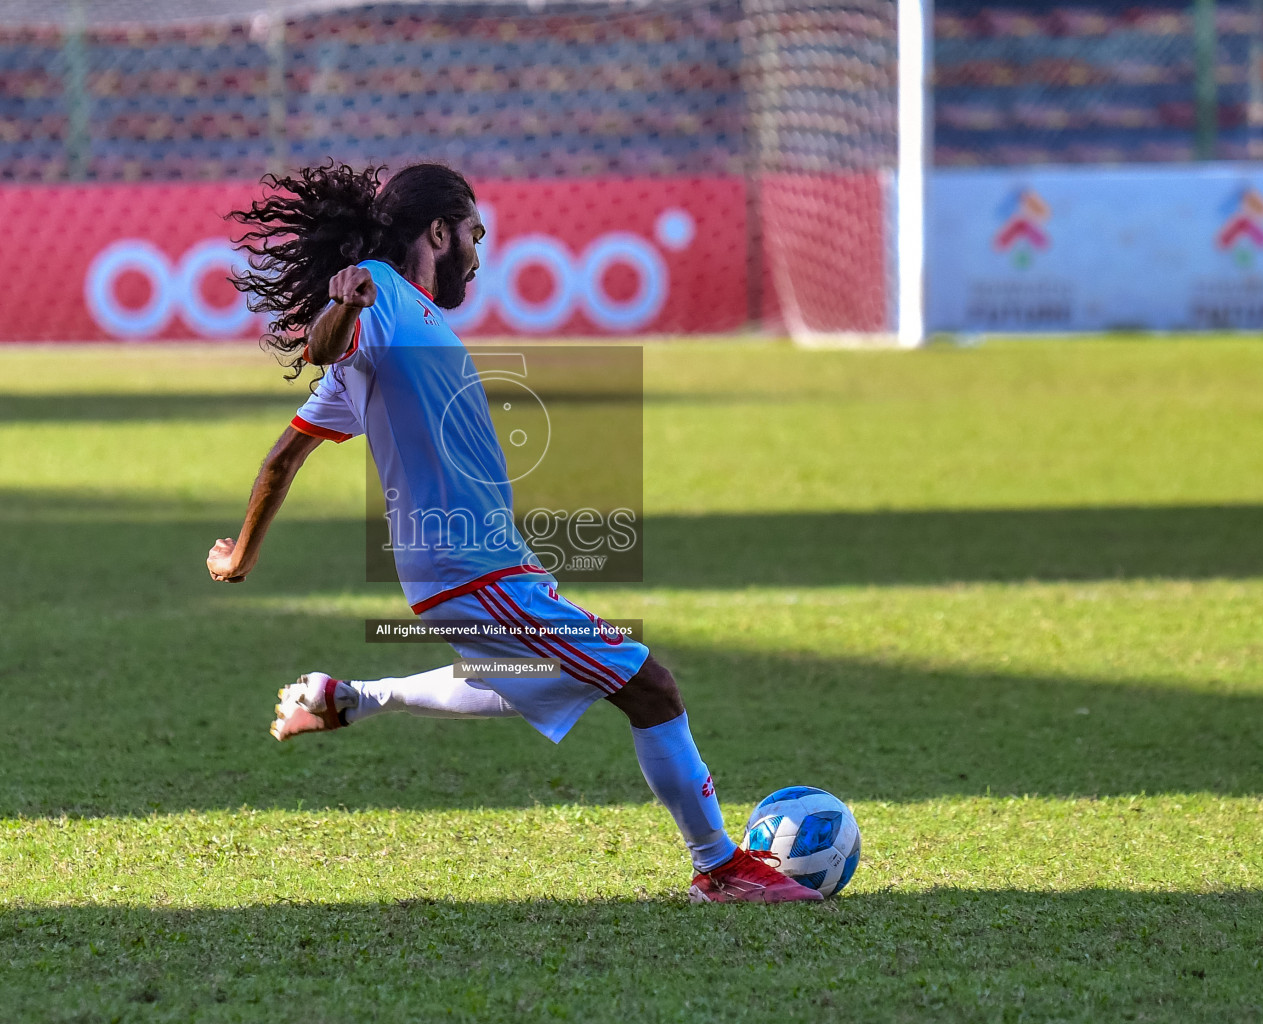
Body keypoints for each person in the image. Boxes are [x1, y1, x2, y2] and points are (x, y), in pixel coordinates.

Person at [206, 161, 820, 905]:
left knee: (531, 683)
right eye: (472, 233)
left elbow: (286, 452)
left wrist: (241, 553)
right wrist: (342, 307)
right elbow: (329, 344)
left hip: (484, 566)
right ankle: (718, 868)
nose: (477, 250)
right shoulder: (380, 291)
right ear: (438, 231)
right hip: (469, 568)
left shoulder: (404, 330)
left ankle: (355, 696)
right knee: (647, 683)